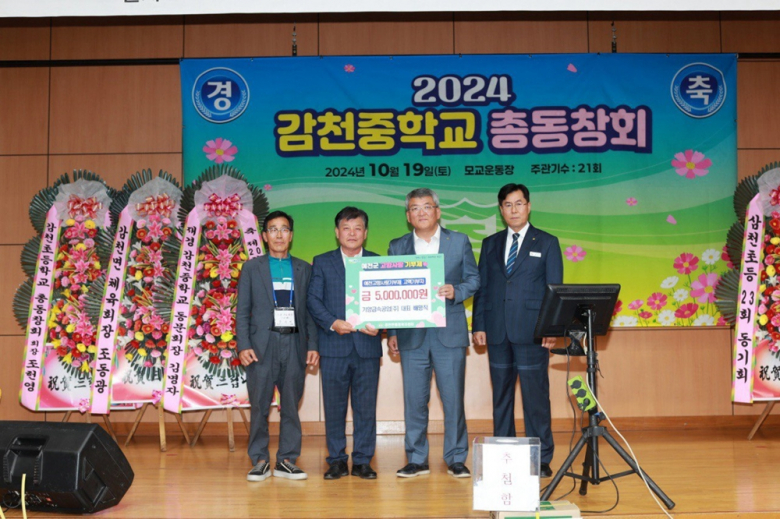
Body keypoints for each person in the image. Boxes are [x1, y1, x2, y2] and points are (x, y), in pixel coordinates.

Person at [387, 188, 480, 479]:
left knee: (453, 399)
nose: (422, 212)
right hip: (411, 335)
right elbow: (391, 290)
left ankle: (456, 458)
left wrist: (457, 291)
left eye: (427, 206)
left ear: (437, 211)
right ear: (408, 216)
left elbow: (474, 279)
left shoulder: (459, 241)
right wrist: (392, 331)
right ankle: (416, 459)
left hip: (448, 333)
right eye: (415, 208)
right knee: (414, 400)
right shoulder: (397, 246)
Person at [472, 183, 563, 478]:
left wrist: (551, 328)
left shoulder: (547, 242)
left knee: (536, 399)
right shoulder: (490, 243)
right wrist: (478, 325)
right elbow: (483, 288)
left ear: (529, 206)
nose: (514, 210)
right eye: (508, 205)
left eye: (519, 203)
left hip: (532, 332)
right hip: (497, 331)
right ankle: (504, 453)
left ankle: (542, 457)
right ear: (501, 210)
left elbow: (554, 289)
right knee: (502, 397)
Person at [236, 210, 319, 482]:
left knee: (291, 405)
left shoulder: (304, 269)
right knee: (259, 405)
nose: (279, 235)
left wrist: (313, 345)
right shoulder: (252, 268)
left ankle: (286, 460)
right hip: (261, 346)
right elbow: (242, 310)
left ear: (291, 235)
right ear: (264, 236)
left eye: (284, 229)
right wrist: (243, 345)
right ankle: (259, 459)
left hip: (294, 343)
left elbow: (309, 312)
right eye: (273, 229)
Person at [307, 206, 382, 480]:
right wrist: (332, 322)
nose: (352, 233)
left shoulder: (378, 262)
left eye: (358, 228)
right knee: (334, 408)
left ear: (365, 233)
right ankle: (337, 460)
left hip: (367, 347)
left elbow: (387, 302)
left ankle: (362, 461)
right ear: (337, 232)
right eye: (346, 228)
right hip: (333, 346)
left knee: (366, 409)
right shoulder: (322, 262)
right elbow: (313, 300)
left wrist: (382, 324)